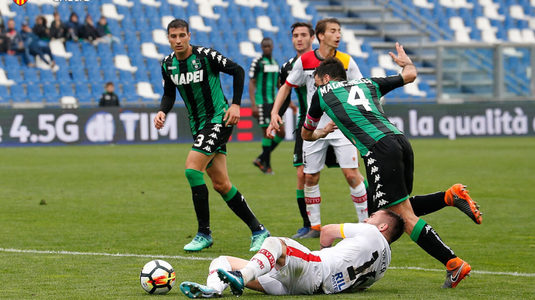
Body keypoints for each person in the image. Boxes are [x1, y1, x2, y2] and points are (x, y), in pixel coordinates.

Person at [301, 43, 483, 288]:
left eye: (316, 80)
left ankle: (453, 264)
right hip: (400, 141)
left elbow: (306, 133)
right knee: (390, 209)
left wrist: (321, 132)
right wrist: (405, 62)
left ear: (324, 77)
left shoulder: (322, 94)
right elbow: (410, 75)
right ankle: (449, 197)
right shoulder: (367, 83)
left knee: (404, 217)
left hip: (378, 150)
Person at [153, 19, 270, 252]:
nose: (178, 40)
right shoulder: (167, 64)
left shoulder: (206, 56)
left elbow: (237, 71)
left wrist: (236, 105)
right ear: (168, 38)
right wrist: (162, 111)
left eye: (182, 35)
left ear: (189, 35)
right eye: (173, 36)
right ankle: (259, 230)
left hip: (219, 118)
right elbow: (169, 94)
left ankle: (203, 233)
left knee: (191, 169)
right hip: (198, 125)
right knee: (221, 184)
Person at [267, 18, 368, 238]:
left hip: (342, 126)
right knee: (310, 177)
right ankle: (314, 227)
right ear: (321, 36)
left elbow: (361, 89)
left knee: (352, 174)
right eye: (333, 31)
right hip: (313, 127)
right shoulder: (305, 61)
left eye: (339, 31)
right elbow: (287, 87)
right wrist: (275, 112)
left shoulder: (347, 61)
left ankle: (366, 223)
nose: (338, 35)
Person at [179, 209, 405, 298]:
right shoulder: (384, 265)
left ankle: (242, 277)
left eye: (373, 217)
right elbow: (361, 286)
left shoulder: (370, 231)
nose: (367, 219)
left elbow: (327, 232)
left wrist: (324, 253)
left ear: (382, 227)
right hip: (306, 288)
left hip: (315, 269)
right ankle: (213, 291)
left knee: (275, 243)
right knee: (222, 262)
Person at [277, 22, 315, 238]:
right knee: (302, 174)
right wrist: (277, 116)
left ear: (312, 38)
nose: (299, 39)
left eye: (303, 35)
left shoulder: (324, 61)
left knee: (351, 174)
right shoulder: (287, 67)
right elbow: (284, 95)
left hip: (331, 124)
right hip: (304, 126)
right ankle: (308, 224)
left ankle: (373, 213)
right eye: (295, 36)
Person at [249, 37, 281, 174]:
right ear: (261, 48)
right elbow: (252, 83)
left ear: (272, 46)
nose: (266, 48)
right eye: (264, 46)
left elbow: (279, 84)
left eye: (268, 46)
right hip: (261, 102)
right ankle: (266, 166)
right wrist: (253, 105)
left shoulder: (275, 63)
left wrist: (289, 103)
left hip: (274, 103)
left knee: (282, 133)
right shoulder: (257, 62)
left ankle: (261, 159)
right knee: (267, 134)